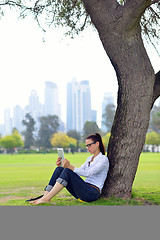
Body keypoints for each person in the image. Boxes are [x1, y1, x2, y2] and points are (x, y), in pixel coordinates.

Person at [28, 133, 109, 205]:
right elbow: (78, 172)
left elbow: (88, 173)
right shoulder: (89, 158)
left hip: (91, 193)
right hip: (82, 190)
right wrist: (63, 166)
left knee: (68, 171)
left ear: (97, 143)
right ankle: (45, 196)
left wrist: (69, 167)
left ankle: (46, 198)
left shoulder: (103, 159)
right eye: (86, 146)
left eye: (89, 145)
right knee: (59, 169)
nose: (87, 148)